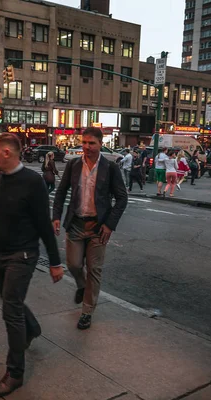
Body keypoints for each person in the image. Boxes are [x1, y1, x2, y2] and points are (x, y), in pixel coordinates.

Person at [0, 133, 63, 397]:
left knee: (11, 310)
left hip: (23, 255)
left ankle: (15, 373)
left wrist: (54, 262)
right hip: (1, 253)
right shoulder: (0, 178)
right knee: (9, 302)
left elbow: (44, 225)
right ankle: (32, 328)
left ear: (7, 153)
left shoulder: (33, 182)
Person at [52, 127, 127, 331]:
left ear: (101, 144)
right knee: (74, 264)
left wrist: (109, 225)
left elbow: (122, 198)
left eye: (91, 143)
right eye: (84, 142)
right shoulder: (74, 164)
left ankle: (87, 311)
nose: (86, 147)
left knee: (94, 269)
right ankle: (81, 285)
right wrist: (56, 217)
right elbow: (61, 192)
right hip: (75, 223)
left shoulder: (110, 168)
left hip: (98, 226)